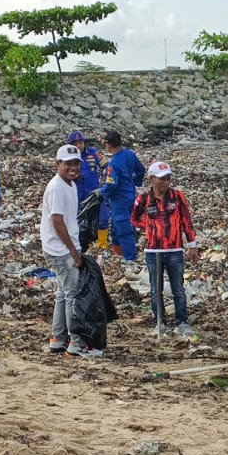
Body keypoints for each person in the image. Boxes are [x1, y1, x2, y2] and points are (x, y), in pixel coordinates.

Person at [40, 145, 99, 357]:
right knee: (72, 293)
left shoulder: (71, 185)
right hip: (60, 249)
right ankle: (76, 342)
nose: (73, 167)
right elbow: (57, 221)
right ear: (58, 164)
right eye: (68, 164)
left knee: (63, 293)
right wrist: (73, 250)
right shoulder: (56, 187)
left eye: (76, 163)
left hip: (64, 246)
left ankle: (58, 338)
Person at [132, 161, 197, 337]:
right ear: (152, 179)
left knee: (178, 288)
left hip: (174, 249)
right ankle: (159, 322)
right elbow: (134, 218)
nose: (165, 182)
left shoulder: (178, 197)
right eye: (161, 179)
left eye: (168, 178)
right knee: (155, 289)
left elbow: (186, 221)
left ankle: (182, 322)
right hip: (153, 251)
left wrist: (192, 245)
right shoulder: (143, 199)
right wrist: (149, 226)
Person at [100, 130, 145, 263]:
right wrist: (134, 182)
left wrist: (101, 193)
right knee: (116, 227)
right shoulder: (129, 154)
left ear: (108, 145)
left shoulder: (113, 163)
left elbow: (111, 184)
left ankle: (129, 258)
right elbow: (140, 170)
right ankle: (118, 254)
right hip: (130, 195)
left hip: (118, 199)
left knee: (122, 228)